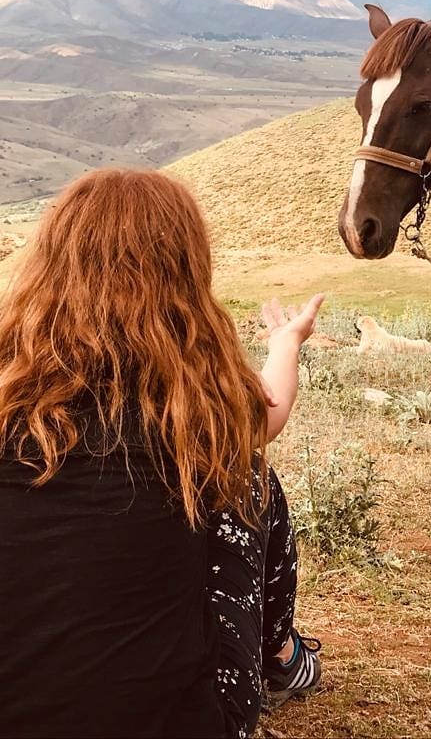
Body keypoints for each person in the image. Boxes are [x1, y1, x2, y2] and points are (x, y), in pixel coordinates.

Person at [0, 169, 325, 738]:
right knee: (247, 479)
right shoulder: (208, 423)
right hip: (182, 723)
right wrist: (285, 344)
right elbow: (267, 421)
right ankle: (278, 654)